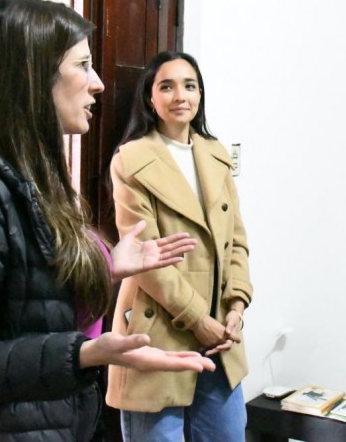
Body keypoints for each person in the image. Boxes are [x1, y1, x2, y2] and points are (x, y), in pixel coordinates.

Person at [0, 0, 216, 441]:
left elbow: (24, 300)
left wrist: (107, 266)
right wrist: (84, 354)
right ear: (34, 75)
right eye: (83, 65)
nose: (98, 84)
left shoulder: (31, 177)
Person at [106, 50, 253, 442]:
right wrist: (198, 320)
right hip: (159, 329)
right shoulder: (132, 160)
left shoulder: (216, 155)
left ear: (200, 94)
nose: (180, 96)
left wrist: (237, 306)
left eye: (189, 86)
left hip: (220, 336)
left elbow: (237, 241)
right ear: (150, 98)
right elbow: (145, 258)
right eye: (166, 87)